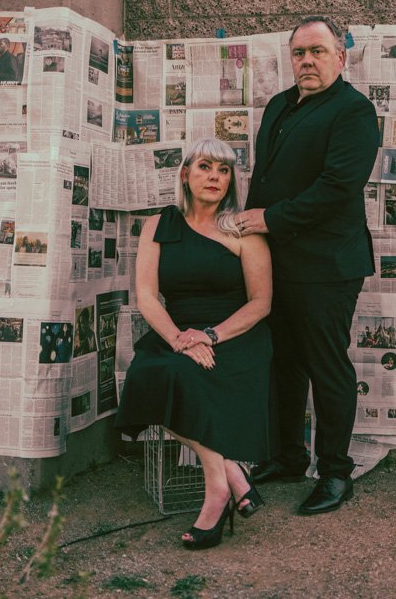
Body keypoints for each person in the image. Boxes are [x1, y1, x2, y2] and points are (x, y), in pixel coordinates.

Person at [235, 15, 380, 515]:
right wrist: (249, 239)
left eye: (318, 51)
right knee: (284, 363)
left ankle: (337, 474)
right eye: (299, 53)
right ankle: (288, 458)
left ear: (341, 57)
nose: (307, 61)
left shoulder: (354, 111)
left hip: (328, 265)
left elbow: (336, 189)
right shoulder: (278, 104)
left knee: (326, 365)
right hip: (277, 261)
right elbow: (265, 179)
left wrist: (267, 219)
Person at [115, 138, 273, 550]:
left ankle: (216, 494)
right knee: (152, 373)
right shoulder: (158, 225)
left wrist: (211, 335)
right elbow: (147, 296)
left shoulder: (242, 230)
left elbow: (261, 303)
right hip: (178, 333)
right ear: (185, 174)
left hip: (236, 336)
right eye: (205, 167)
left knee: (183, 377)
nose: (215, 177)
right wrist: (180, 340)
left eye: (223, 171)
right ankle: (232, 476)